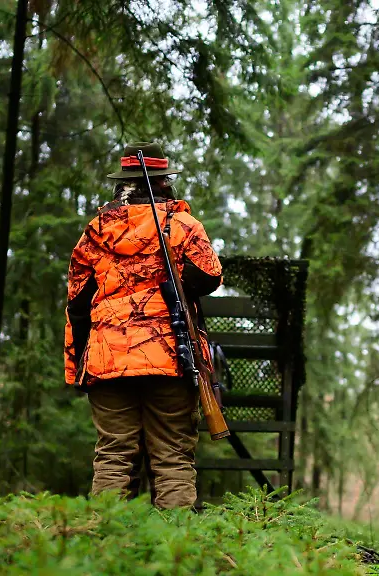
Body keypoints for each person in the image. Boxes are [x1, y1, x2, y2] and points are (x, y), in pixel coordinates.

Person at [64, 142, 222, 509]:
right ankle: (175, 554)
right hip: (171, 357)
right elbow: (209, 275)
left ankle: (105, 547)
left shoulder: (95, 232)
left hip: (108, 360)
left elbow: (77, 305)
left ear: (121, 183)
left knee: (114, 456)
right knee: (172, 457)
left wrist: (78, 369)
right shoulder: (182, 225)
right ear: (164, 181)